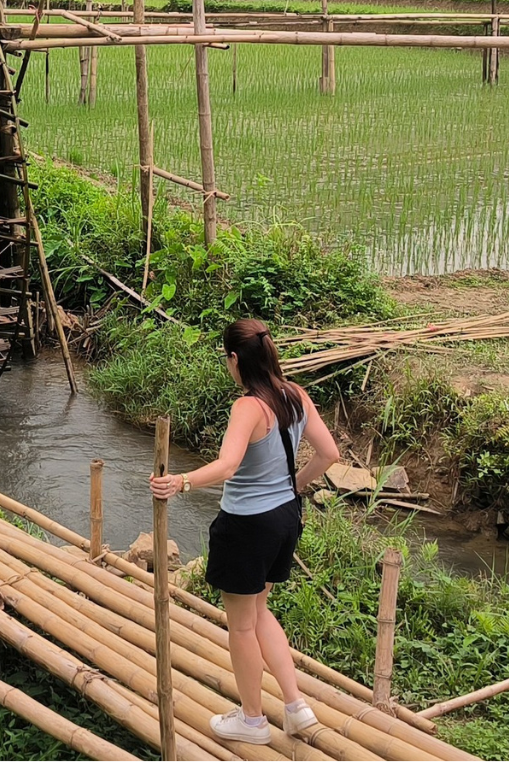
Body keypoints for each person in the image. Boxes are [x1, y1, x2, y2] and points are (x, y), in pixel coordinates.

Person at [149, 317, 339, 744]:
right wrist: (294, 484)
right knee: (259, 611)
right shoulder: (296, 396)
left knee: (240, 625)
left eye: (226, 360)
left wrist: (180, 482)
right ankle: (296, 707)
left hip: (247, 526)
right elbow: (329, 453)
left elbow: (228, 465)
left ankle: (252, 720)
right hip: (286, 518)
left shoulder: (248, 407)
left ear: (234, 359)